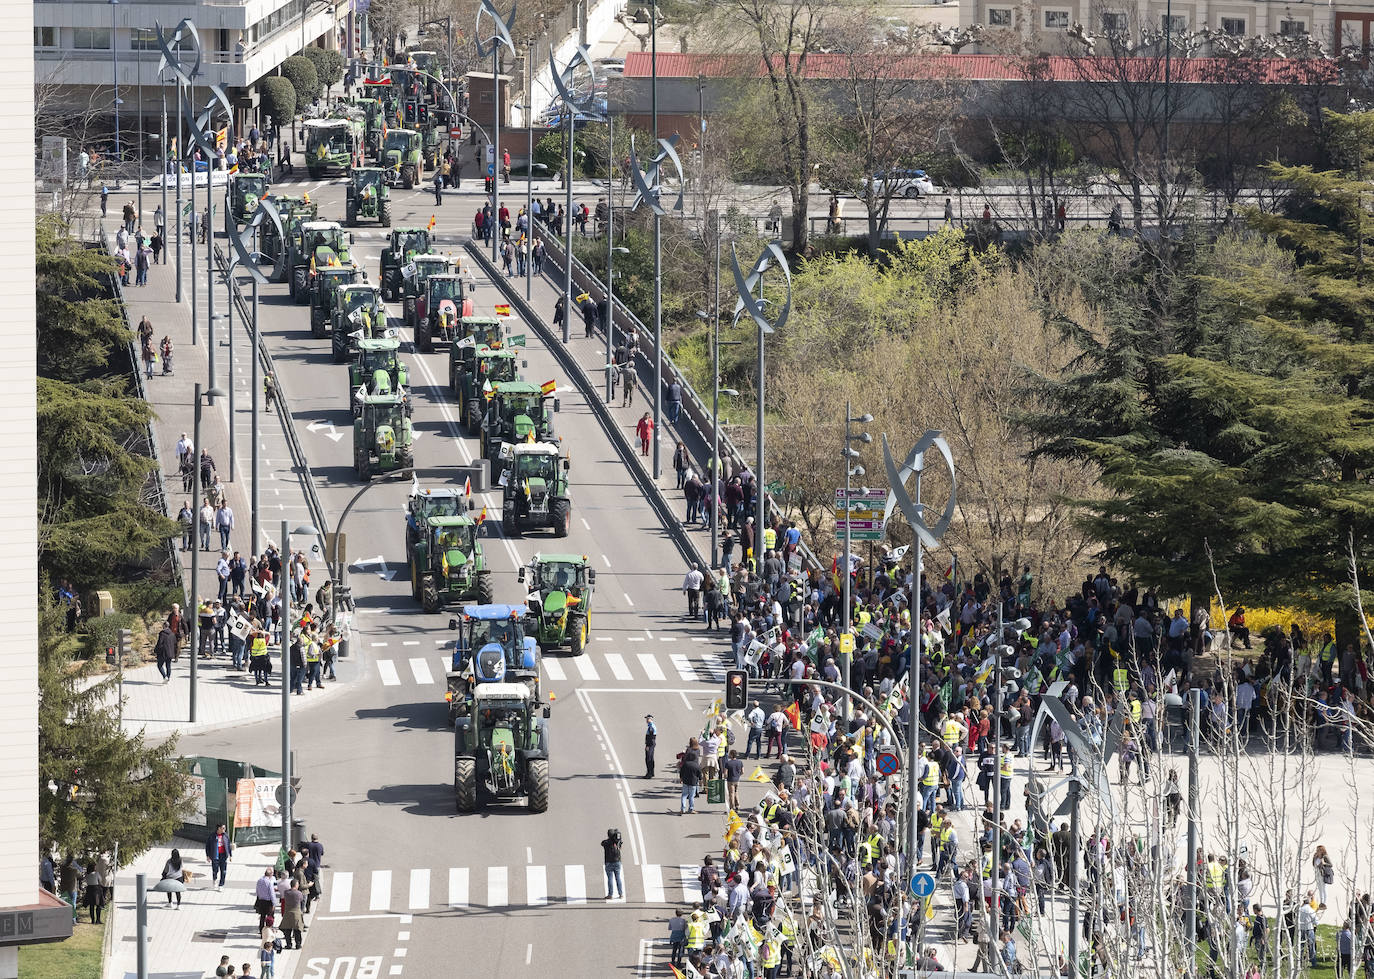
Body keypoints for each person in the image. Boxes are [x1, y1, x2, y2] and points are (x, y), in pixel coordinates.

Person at [206, 823, 233, 888]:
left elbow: (228, 845)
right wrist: (208, 856)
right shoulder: (212, 836)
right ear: (219, 828)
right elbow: (207, 846)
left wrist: (230, 855)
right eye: (223, 828)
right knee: (215, 870)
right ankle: (214, 879)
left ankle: (221, 885)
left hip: (223, 855)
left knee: (223, 871)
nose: (224, 829)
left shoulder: (225, 836)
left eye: (224, 828)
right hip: (215, 855)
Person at [601, 828, 624, 899]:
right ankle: (621, 894)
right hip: (617, 862)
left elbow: (602, 843)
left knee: (610, 878)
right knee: (618, 878)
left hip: (609, 863)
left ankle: (610, 895)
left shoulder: (606, 843)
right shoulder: (617, 842)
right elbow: (620, 844)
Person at [644, 714, 657, 778]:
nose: (646, 720)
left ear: (650, 719)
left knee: (648, 759)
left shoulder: (651, 727)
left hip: (650, 744)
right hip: (652, 743)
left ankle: (649, 773)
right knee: (651, 758)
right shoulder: (651, 726)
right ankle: (651, 772)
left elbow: (651, 737)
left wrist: (648, 746)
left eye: (647, 719)